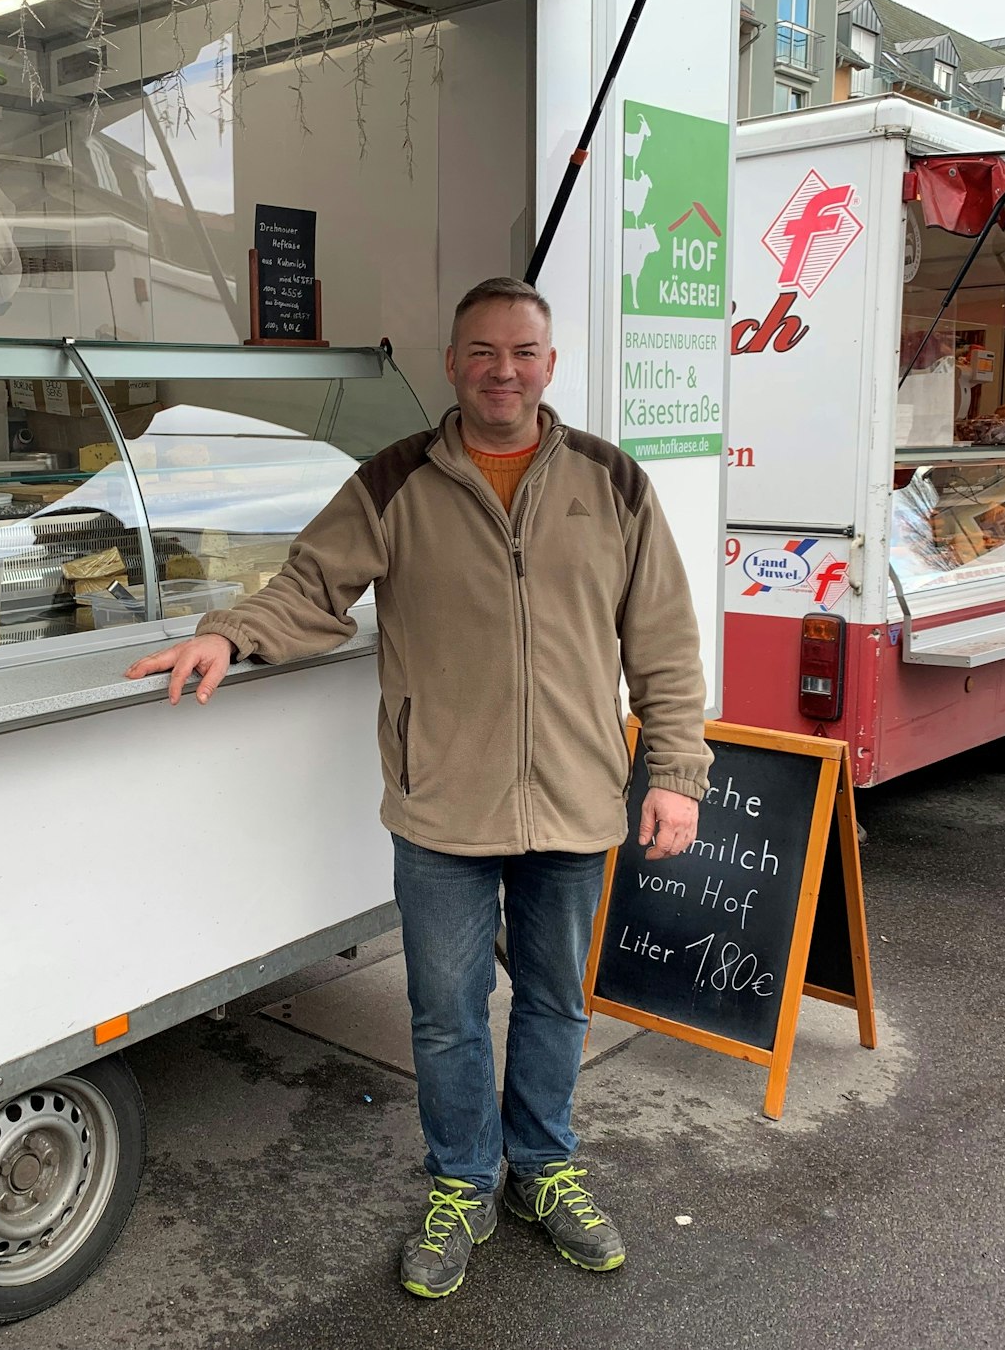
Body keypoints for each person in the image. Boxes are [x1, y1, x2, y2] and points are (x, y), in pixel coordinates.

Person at [127, 277, 712, 1300]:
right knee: (444, 1011)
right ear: (451, 363)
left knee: (550, 1003)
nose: (502, 371)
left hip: (576, 796)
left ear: (549, 364)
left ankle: (542, 1169)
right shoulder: (394, 478)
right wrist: (229, 631)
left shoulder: (610, 482)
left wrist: (674, 774)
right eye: (481, 351)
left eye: (522, 352)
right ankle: (458, 1184)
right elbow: (312, 587)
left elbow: (661, 641)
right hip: (441, 802)